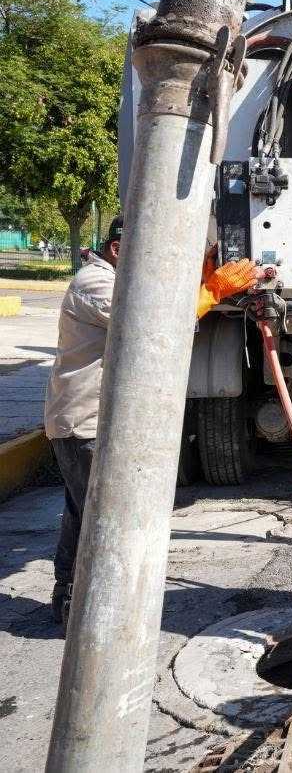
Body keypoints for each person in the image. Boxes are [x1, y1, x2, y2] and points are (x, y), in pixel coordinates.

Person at [44, 217, 259, 625]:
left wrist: (199, 275)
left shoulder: (111, 280)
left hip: (92, 420)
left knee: (84, 511)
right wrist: (211, 291)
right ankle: (87, 605)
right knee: (100, 514)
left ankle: (72, 600)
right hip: (84, 422)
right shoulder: (95, 283)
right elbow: (153, 325)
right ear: (119, 250)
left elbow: (159, 301)